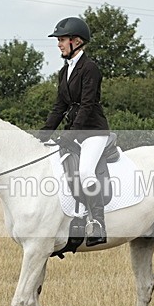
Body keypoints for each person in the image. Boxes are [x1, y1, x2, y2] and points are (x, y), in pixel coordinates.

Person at [39, 16, 110, 247]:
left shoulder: (90, 68)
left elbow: (87, 105)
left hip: (93, 132)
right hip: (75, 130)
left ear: (76, 41)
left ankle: (98, 223)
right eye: (58, 40)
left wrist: (70, 135)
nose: (58, 44)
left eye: (62, 40)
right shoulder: (64, 72)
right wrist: (42, 136)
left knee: (86, 171)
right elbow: (59, 107)